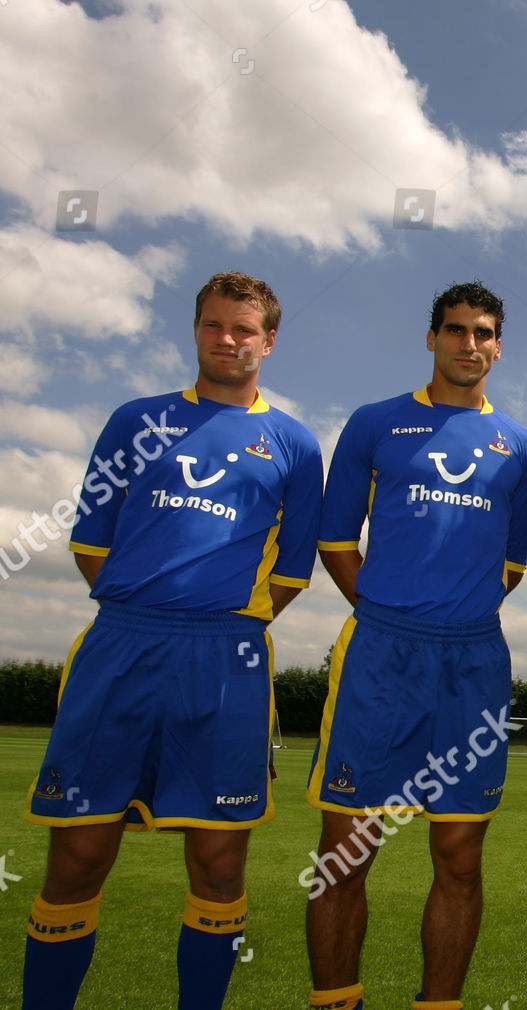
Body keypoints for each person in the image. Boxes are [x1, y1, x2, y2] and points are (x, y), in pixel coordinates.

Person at [22, 272, 323, 1010]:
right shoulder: (136, 420)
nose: (229, 340)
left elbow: (291, 571)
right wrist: (150, 601)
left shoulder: (294, 442)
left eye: (244, 330)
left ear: (270, 341)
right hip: (122, 646)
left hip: (226, 658)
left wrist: (219, 618)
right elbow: (91, 542)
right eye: (215, 325)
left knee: (220, 863)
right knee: (78, 856)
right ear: (195, 330)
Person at [305, 281, 527, 1010]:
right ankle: (336, 1001)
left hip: (472, 663)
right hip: (380, 655)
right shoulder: (376, 423)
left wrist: (453, 615)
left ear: (498, 346)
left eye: (483, 333)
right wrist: (390, 610)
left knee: (460, 860)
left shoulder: (521, 446)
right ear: (431, 338)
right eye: (455, 330)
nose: (469, 344)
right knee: (346, 855)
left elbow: (510, 562)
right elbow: (335, 539)